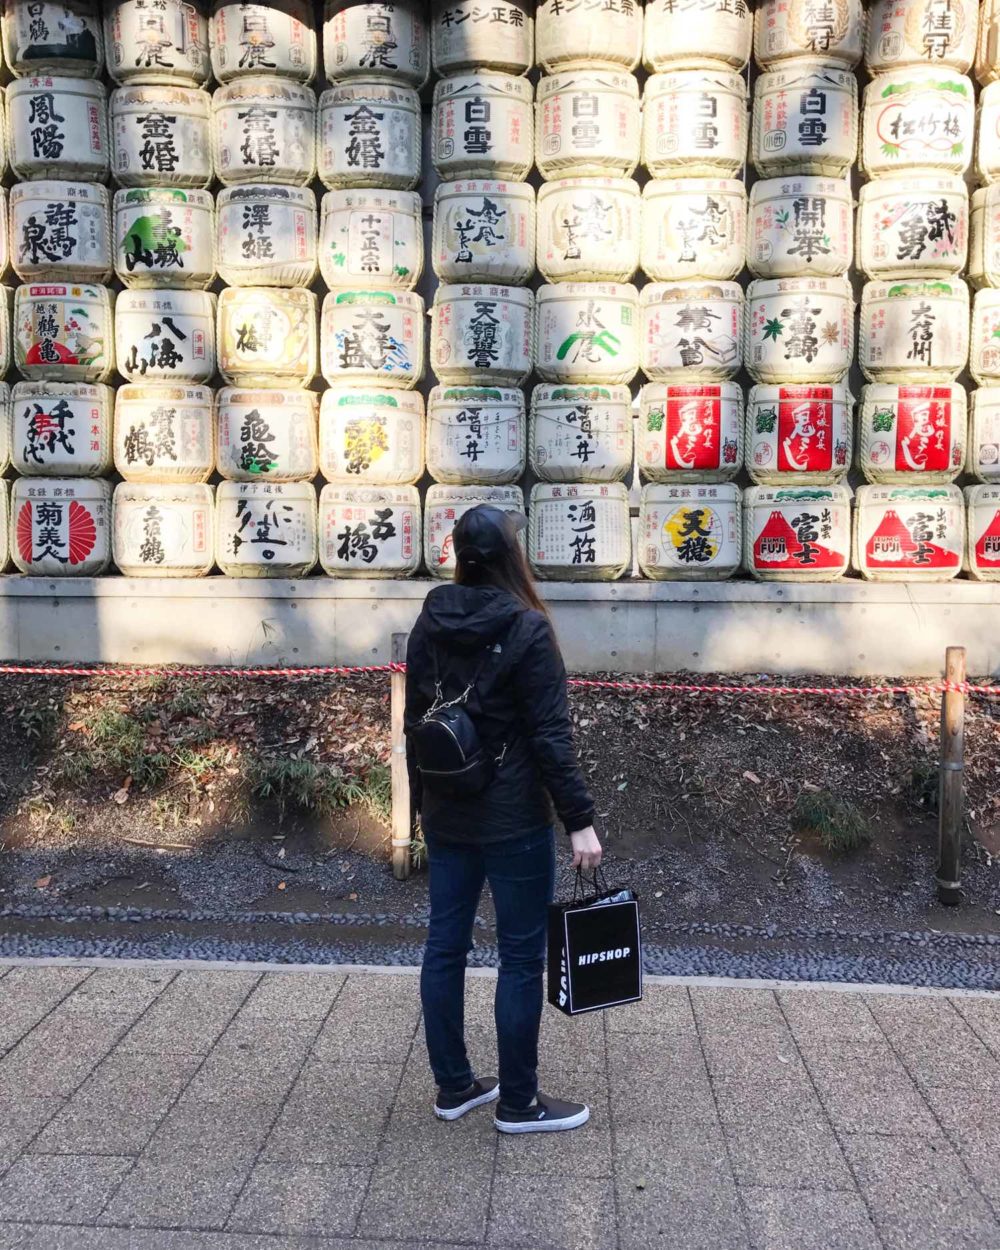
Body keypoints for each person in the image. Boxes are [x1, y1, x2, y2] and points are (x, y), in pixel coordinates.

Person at [405, 504, 603, 1134]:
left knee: (445, 946)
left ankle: (455, 1087)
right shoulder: (528, 628)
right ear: (512, 557)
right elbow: (550, 736)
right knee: (520, 957)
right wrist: (580, 821)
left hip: (446, 808)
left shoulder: (430, 617)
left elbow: (416, 724)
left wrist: (419, 809)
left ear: (458, 554)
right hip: (513, 815)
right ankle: (519, 1102)